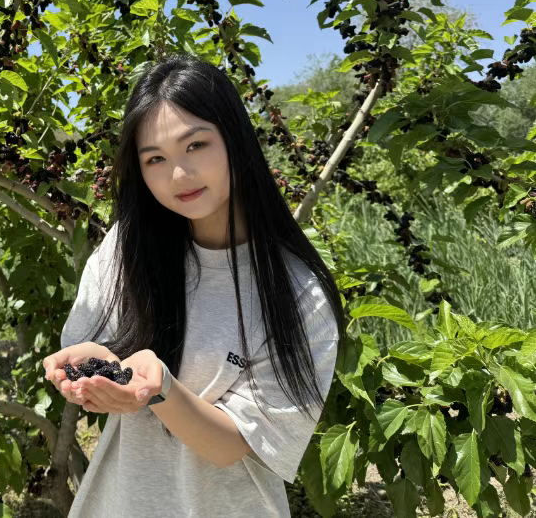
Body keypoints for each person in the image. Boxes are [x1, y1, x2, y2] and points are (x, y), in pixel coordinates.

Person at [42, 53, 347, 517]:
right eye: (155, 158)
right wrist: (95, 371)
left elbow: (232, 445)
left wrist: (159, 387)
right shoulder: (128, 248)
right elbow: (99, 357)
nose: (179, 175)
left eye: (196, 145)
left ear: (235, 139)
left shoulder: (298, 294)